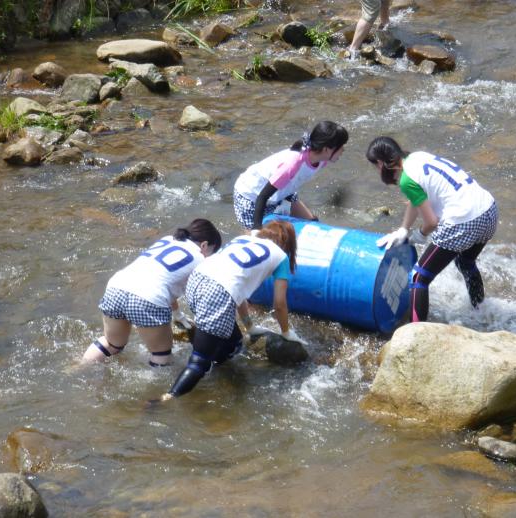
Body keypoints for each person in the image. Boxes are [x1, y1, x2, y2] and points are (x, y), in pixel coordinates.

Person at [162, 220, 302, 399]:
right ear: (287, 244)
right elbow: (280, 304)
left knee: (234, 343)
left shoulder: (244, 239)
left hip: (197, 279)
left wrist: (249, 326)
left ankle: (214, 370)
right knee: (199, 362)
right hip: (218, 291)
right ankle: (167, 398)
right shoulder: (281, 256)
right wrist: (286, 332)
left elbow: (238, 288)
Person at [367, 136, 498, 322]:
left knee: (418, 278)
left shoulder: (406, 180)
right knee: (465, 262)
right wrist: (403, 228)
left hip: (464, 221)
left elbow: (431, 222)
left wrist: (418, 235)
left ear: (381, 163)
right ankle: (481, 312)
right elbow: (416, 199)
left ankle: (416, 332)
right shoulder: (418, 157)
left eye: (375, 166)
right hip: (489, 210)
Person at [82, 219, 222, 366]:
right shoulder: (201, 259)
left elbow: (166, 279)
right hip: (148, 298)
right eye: (211, 252)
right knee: (161, 355)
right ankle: (156, 388)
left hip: (116, 287)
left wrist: (177, 315)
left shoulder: (168, 239)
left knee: (111, 344)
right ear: (204, 245)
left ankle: (79, 367)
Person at [233, 121, 348, 231]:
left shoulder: (322, 160)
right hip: (252, 195)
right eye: (341, 146)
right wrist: (256, 230)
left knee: (313, 223)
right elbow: (262, 196)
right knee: (257, 239)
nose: (343, 150)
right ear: (326, 149)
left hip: (283, 190)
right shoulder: (292, 165)